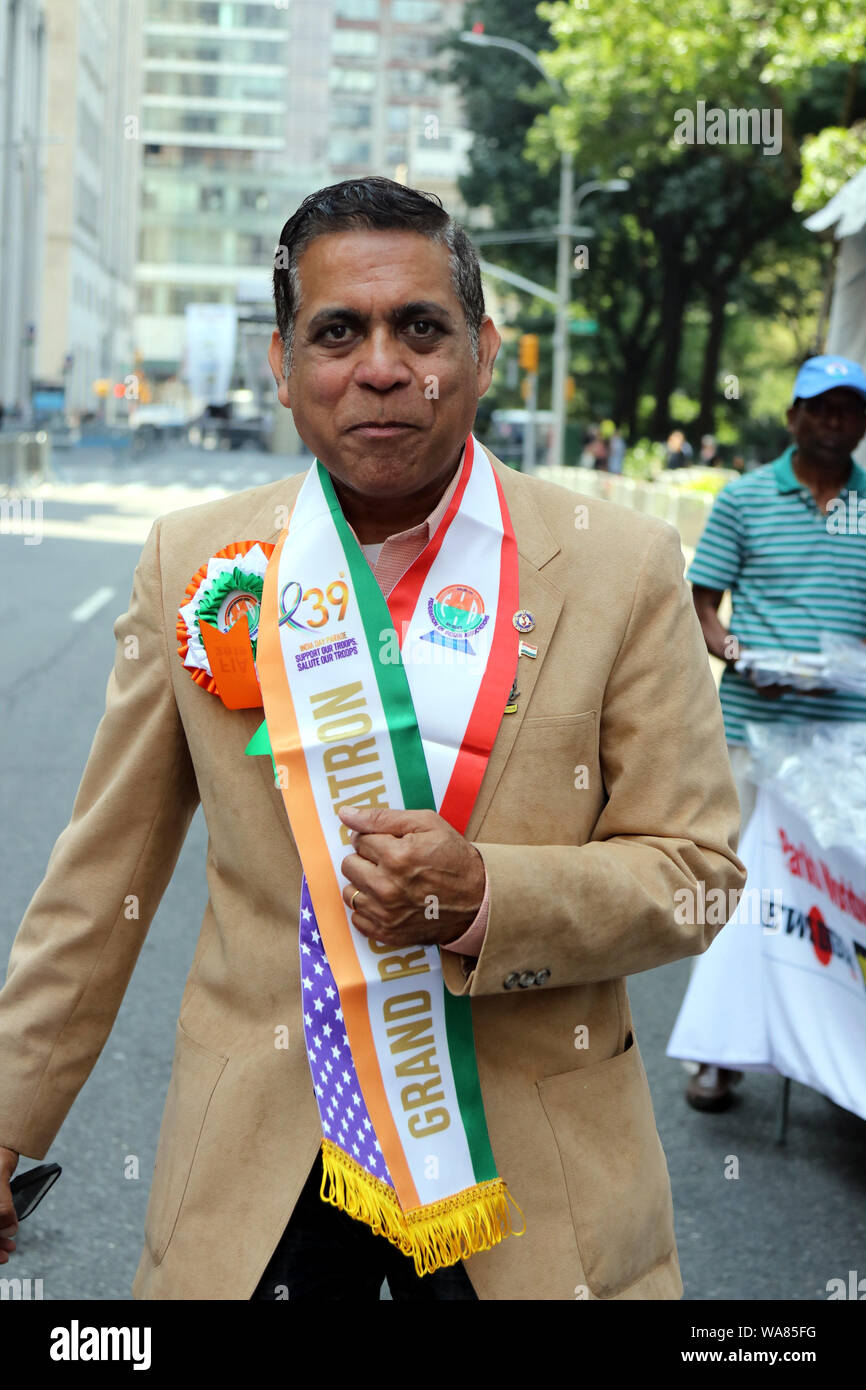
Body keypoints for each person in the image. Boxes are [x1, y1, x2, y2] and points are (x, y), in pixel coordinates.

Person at [0, 176, 746, 1301]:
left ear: (484, 351)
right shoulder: (194, 563)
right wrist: (9, 1119)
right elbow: (100, 876)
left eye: (421, 326)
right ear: (284, 365)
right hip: (265, 1165)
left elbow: (695, 873)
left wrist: (485, 896)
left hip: (526, 1175)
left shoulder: (619, 564)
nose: (383, 365)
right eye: (338, 331)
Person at [682, 353, 866, 1111]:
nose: (833, 421)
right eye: (819, 407)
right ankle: (716, 1052)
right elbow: (700, 607)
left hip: (847, 740)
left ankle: (833, 1045)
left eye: (848, 409)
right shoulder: (745, 499)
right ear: (792, 416)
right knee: (738, 888)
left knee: (840, 893)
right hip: (754, 730)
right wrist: (739, 655)